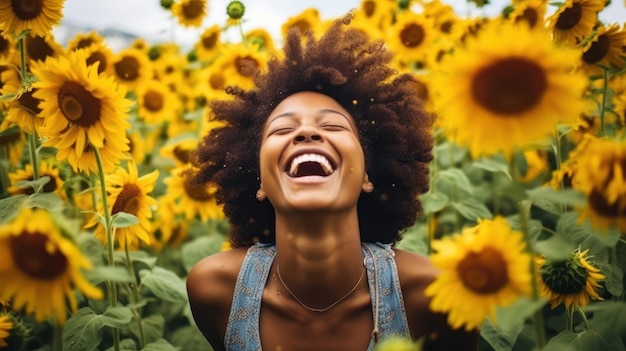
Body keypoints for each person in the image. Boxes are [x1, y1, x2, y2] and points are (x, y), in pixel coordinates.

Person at [186, 14, 479, 351]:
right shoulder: (216, 291)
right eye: (282, 129)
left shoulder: (433, 297)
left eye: (333, 126)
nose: (307, 132)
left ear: (368, 175)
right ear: (260, 181)